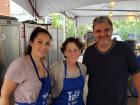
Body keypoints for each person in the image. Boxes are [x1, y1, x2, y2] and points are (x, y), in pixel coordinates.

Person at [83, 16, 140, 105]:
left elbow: (136, 73)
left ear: (112, 30)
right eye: (98, 31)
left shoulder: (124, 49)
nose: (102, 34)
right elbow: (81, 75)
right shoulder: (89, 52)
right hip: (93, 102)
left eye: (106, 30)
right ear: (93, 32)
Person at [0, 27, 52, 105]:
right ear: (31, 43)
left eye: (47, 43)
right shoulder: (20, 64)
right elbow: (4, 96)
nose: (44, 47)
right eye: (39, 42)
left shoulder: (44, 63)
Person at [49, 37, 87, 105]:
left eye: (75, 50)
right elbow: (47, 92)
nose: (73, 53)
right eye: (69, 50)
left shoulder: (83, 68)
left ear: (80, 51)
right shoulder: (55, 69)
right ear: (64, 52)